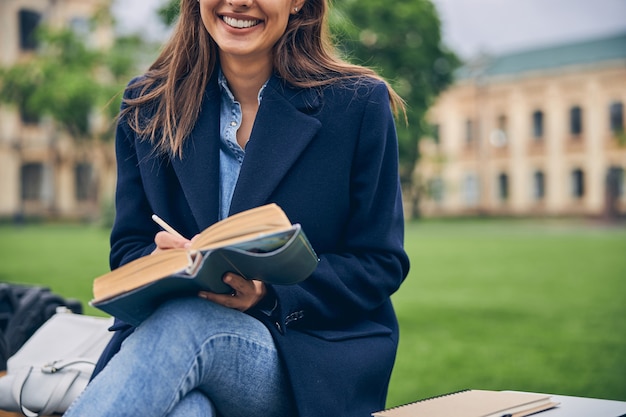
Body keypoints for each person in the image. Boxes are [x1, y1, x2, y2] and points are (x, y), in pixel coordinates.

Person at [64, 0, 409, 415]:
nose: (239, 1)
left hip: (302, 356)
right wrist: (160, 263)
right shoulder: (148, 104)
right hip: (176, 351)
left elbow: (379, 262)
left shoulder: (357, 104)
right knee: (188, 409)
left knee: (189, 325)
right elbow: (128, 248)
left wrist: (268, 292)